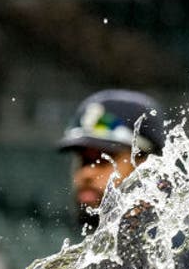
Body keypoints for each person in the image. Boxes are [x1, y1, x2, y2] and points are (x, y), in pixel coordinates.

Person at [56, 89, 167, 235]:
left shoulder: (176, 254)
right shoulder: (79, 248)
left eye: (104, 159)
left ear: (148, 166)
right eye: (84, 160)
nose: (87, 173)